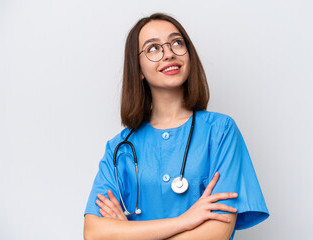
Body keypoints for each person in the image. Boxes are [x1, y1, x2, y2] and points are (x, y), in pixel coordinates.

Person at [84, 13, 269, 240]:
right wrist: (184, 221)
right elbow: (94, 233)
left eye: (177, 43)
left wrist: (129, 234)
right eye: (153, 48)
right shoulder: (120, 147)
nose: (169, 53)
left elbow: (217, 232)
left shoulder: (220, 131)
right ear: (138, 69)